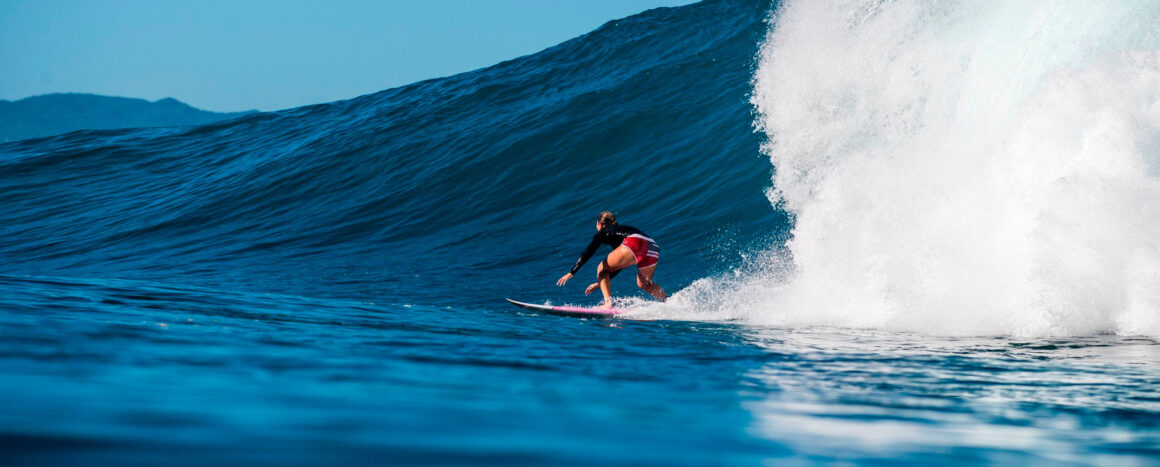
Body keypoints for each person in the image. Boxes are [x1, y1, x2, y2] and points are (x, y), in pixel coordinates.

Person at [556, 211, 667, 309]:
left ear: (601, 224)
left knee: (601, 268)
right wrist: (599, 283)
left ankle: (608, 304)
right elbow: (618, 266)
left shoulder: (602, 232)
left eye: (596, 224)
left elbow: (588, 252)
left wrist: (572, 272)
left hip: (634, 241)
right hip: (652, 246)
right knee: (644, 284)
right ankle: (668, 301)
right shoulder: (621, 231)